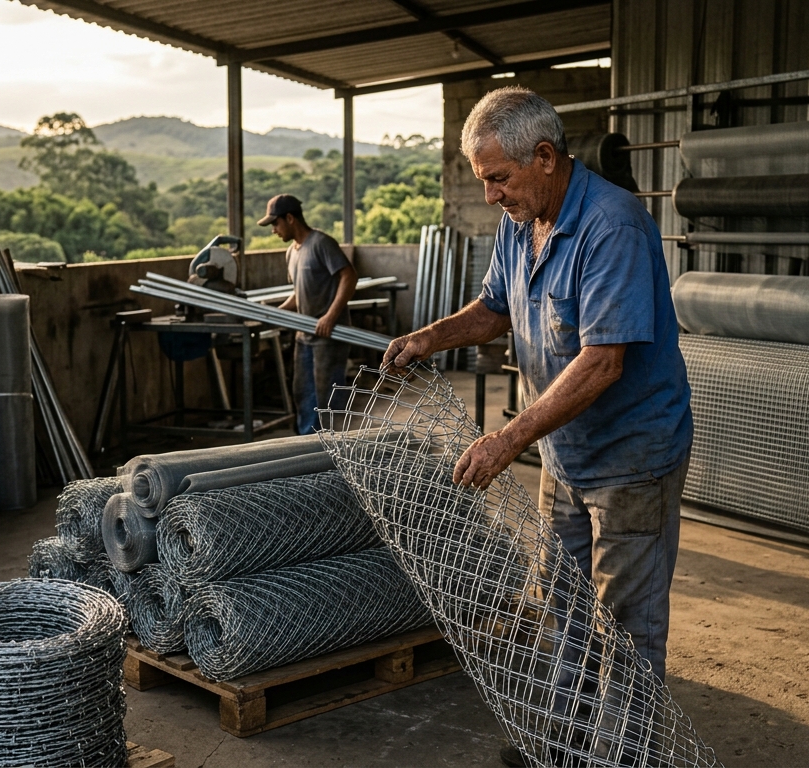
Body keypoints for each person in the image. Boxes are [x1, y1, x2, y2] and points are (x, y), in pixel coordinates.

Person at [381, 86, 693, 766]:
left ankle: (623, 758)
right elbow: (495, 308)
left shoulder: (612, 226)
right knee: (565, 606)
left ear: (544, 157)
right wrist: (429, 338)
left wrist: (508, 438)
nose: (491, 194)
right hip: (566, 454)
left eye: (498, 178)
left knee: (627, 627)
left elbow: (604, 362)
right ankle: (564, 747)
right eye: (484, 180)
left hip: (631, 459)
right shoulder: (522, 222)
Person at [260, 194, 358, 435]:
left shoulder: (321, 243)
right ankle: (308, 448)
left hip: (328, 336)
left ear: (290, 218)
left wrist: (330, 317)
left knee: (329, 396)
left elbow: (349, 276)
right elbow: (299, 294)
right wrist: (276, 313)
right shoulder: (291, 253)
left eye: (275, 223)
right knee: (304, 393)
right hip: (304, 336)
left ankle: (336, 448)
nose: (273, 230)